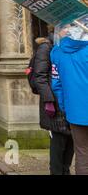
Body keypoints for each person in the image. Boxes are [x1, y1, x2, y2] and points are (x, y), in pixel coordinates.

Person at [31, 32, 73, 175]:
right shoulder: (46, 47)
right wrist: (49, 101)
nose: (69, 30)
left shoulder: (68, 45)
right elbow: (40, 77)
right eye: (66, 27)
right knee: (58, 149)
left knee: (70, 147)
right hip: (54, 106)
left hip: (69, 103)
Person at [51, 25, 88, 175]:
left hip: (75, 112)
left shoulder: (56, 52)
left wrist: (66, 106)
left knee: (82, 155)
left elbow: (56, 84)